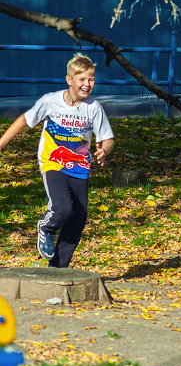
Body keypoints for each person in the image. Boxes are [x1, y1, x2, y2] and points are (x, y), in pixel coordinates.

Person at [0, 55, 114, 268]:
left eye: (91, 80)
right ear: (69, 80)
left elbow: (107, 138)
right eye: (81, 80)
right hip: (53, 162)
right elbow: (24, 120)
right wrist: (1, 143)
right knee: (62, 207)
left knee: (78, 218)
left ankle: (58, 268)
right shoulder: (50, 101)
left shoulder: (93, 107)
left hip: (80, 166)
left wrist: (104, 151)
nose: (87, 85)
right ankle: (47, 227)